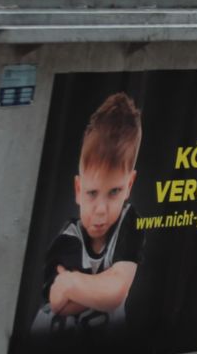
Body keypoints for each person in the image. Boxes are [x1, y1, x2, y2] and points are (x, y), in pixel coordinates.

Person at [33, 91, 144, 336]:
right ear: (78, 190)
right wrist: (105, 282)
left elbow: (116, 292)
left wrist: (72, 282)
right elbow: (60, 303)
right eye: (92, 193)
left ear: (129, 185)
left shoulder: (129, 222)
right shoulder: (68, 237)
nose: (101, 209)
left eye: (114, 192)